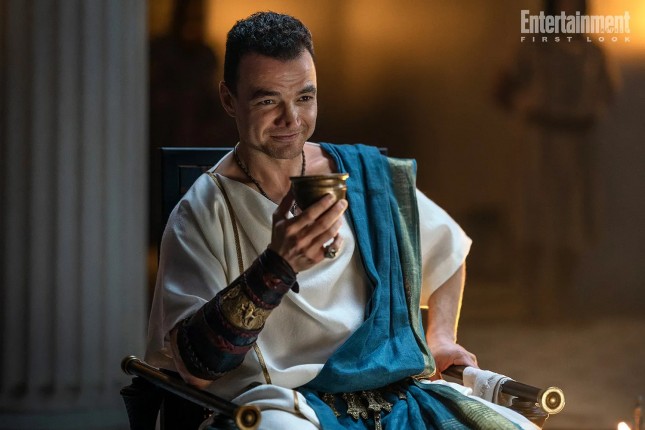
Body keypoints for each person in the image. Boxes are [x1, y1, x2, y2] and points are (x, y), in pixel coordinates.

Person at [146, 11, 537, 429]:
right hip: (284, 403)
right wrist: (277, 266)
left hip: (392, 393)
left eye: (304, 98)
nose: (291, 119)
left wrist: (440, 337)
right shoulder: (204, 209)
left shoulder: (361, 176)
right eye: (267, 101)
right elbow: (196, 367)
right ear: (229, 100)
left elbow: (448, 250)